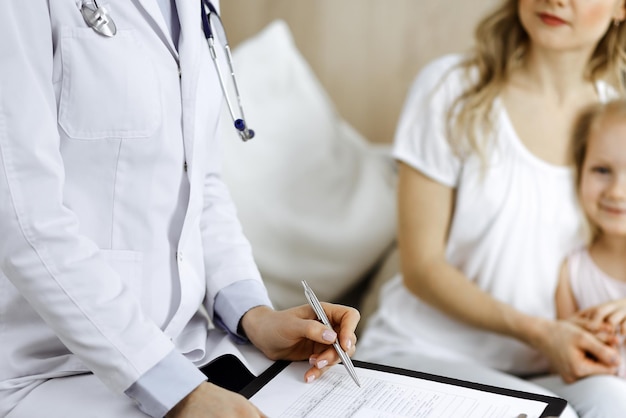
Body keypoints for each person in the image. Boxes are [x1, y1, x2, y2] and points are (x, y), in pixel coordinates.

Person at [0, 1, 359, 417]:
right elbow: (26, 222)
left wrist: (254, 315)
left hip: (190, 349)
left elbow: (199, 180)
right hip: (52, 370)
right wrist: (178, 391)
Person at [356, 0, 626, 416]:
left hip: (543, 371)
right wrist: (541, 333)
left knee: (613, 400)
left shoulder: (615, 115)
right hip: (420, 353)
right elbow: (421, 268)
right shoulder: (451, 88)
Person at [555, 99, 626, 379]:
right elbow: (566, 367)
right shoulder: (572, 273)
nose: (617, 191)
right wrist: (590, 341)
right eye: (602, 170)